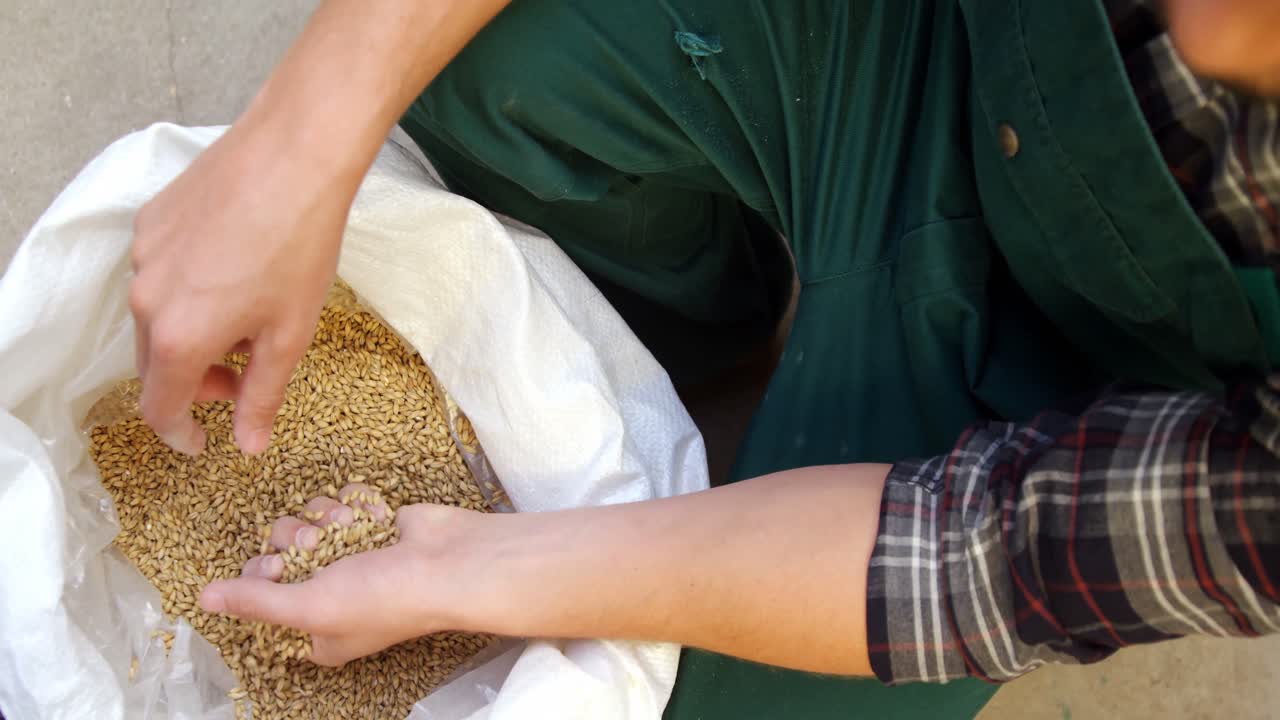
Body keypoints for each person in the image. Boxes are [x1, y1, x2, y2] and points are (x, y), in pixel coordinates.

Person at [126, 0, 1280, 717]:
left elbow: (972, 557)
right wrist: (293, 146)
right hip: (932, 37)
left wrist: (466, 565)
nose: (1218, 35)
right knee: (479, 75)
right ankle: (693, 308)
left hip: (1089, 384)